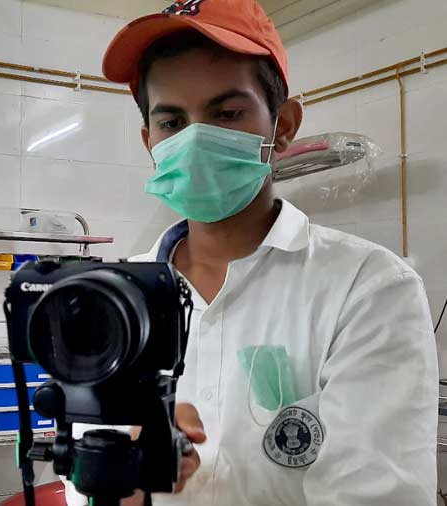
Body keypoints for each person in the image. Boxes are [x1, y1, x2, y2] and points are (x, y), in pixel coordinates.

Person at [64, 0, 438, 505]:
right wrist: (125, 483)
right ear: (147, 139)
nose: (196, 140)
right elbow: (83, 480)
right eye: (172, 122)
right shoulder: (115, 297)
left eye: (227, 112)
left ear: (282, 124)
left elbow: (376, 496)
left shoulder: (366, 287)